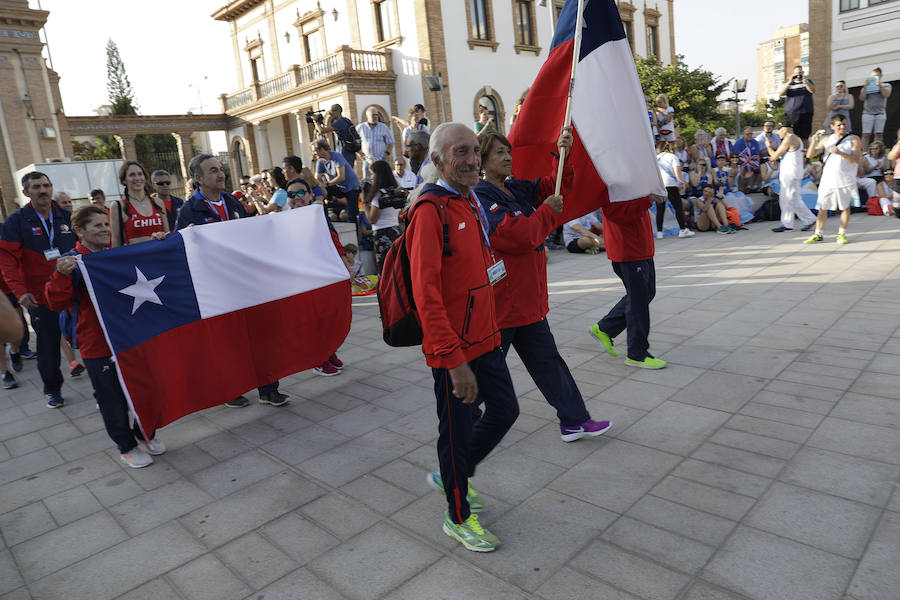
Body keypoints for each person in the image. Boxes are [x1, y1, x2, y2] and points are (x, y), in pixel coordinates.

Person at [410, 122, 519, 552]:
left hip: (486, 337)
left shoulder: (470, 199)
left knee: (505, 411)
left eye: (475, 150)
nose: (473, 159)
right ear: (438, 161)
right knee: (455, 433)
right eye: (461, 152)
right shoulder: (430, 210)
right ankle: (457, 515)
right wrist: (453, 360)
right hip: (453, 349)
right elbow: (427, 294)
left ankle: (451, 475)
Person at [474, 128, 612, 442]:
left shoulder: (514, 189)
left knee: (549, 363)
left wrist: (564, 153)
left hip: (528, 301)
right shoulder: (481, 197)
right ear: (481, 160)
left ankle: (575, 420)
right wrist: (547, 210)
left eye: (508, 150)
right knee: (486, 374)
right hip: (503, 305)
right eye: (498, 152)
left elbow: (556, 185)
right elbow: (518, 235)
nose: (508, 156)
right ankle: (460, 429)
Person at [46, 206, 165, 468]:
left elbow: (145, 262)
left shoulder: (114, 255)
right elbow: (55, 303)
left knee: (148, 387)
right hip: (97, 343)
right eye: (97, 225)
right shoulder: (72, 261)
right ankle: (126, 445)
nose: (104, 230)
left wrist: (159, 243)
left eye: (106, 224)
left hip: (130, 336)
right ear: (79, 231)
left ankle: (145, 433)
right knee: (112, 398)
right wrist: (61, 275)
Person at [176, 154, 290, 407]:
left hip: (245, 281)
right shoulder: (189, 210)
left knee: (260, 336)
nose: (220, 174)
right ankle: (232, 389)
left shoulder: (232, 202)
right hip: (216, 286)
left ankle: (269, 388)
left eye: (220, 169)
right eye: (213, 170)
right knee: (227, 341)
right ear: (198, 178)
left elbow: (248, 235)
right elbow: (180, 247)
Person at [0, 171, 77, 407]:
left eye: (46, 185)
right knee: (48, 346)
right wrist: (20, 292)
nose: (43, 190)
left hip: (73, 292)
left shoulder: (65, 216)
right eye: (36, 187)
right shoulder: (16, 221)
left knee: (88, 338)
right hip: (41, 297)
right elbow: (7, 260)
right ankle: (52, 389)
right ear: (26, 192)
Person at [589, 191, 666, 369]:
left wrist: (652, 196)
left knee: (645, 294)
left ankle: (605, 328)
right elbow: (615, 212)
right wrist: (647, 200)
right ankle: (637, 354)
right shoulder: (613, 179)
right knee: (638, 300)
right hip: (628, 248)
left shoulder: (628, 176)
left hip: (640, 245)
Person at [804, 115, 861, 244]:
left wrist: (840, 153)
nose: (842, 127)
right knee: (822, 207)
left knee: (845, 207)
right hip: (828, 179)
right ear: (832, 126)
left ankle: (841, 233)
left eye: (844, 124)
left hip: (846, 179)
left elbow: (856, 159)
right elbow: (810, 155)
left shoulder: (853, 139)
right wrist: (814, 141)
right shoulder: (827, 139)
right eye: (839, 125)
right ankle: (818, 234)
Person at [110, 161, 170, 247]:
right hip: (134, 258)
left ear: (145, 177)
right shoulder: (117, 206)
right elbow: (116, 241)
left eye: (140, 174)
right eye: (132, 175)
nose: (137, 178)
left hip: (159, 256)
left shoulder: (158, 202)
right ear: (124, 180)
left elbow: (167, 234)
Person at [362, 160, 404, 274]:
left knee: (385, 269)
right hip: (396, 231)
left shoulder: (379, 195)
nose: (371, 176)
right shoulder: (394, 191)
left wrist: (365, 203)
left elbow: (372, 219)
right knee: (397, 268)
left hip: (382, 234)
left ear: (378, 175)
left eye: (372, 173)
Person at [313, 139, 362, 231]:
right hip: (338, 187)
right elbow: (317, 179)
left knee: (352, 214)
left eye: (315, 151)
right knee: (320, 190)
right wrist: (322, 187)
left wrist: (326, 184)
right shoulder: (320, 161)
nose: (314, 153)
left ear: (322, 149)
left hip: (351, 187)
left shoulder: (336, 156)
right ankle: (323, 214)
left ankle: (357, 234)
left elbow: (341, 176)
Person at [655, 141, 692, 239]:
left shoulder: (657, 157)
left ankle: (659, 232)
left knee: (660, 209)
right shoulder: (673, 157)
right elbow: (677, 171)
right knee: (678, 207)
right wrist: (682, 182)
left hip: (660, 185)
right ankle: (682, 230)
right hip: (671, 184)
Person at [780, 65, 816, 146]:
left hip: (806, 112)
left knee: (804, 136)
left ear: (803, 73)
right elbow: (781, 93)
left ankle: (806, 156)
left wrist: (805, 81)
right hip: (792, 113)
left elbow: (812, 90)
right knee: (790, 135)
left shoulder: (808, 81)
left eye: (800, 73)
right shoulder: (789, 83)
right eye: (797, 73)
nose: (798, 75)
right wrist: (789, 82)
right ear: (793, 73)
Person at [356, 107, 394, 180]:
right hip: (367, 160)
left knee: (383, 181)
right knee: (367, 183)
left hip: (381, 160)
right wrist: (359, 152)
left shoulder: (383, 127)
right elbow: (353, 142)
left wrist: (386, 154)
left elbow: (390, 143)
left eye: (376, 115)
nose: (375, 117)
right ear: (367, 116)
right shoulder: (361, 127)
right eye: (373, 115)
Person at [859, 67, 893, 149]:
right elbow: (862, 98)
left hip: (880, 112)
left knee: (879, 134)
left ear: (881, 76)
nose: (873, 79)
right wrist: (865, 88)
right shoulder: (867, 86)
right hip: (868, 112)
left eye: (876, 76)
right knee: (866, 134)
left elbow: (887, 94)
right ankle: (863, 153)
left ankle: (878, 153)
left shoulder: (886, 85)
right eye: (872, 77)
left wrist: (880, 86)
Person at [732, 127, 763, 192]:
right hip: (742, 162)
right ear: (743, 134)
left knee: (761, 168)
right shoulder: (738, 143)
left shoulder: (755, 142)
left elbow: (757, 155)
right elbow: (737, 156)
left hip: (752, 161)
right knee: (744, 167)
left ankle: (756, 186)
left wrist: (756, 163)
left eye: (751, 134)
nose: (749, 135)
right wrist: (747, 163)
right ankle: (746, 187)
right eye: (747, 134)